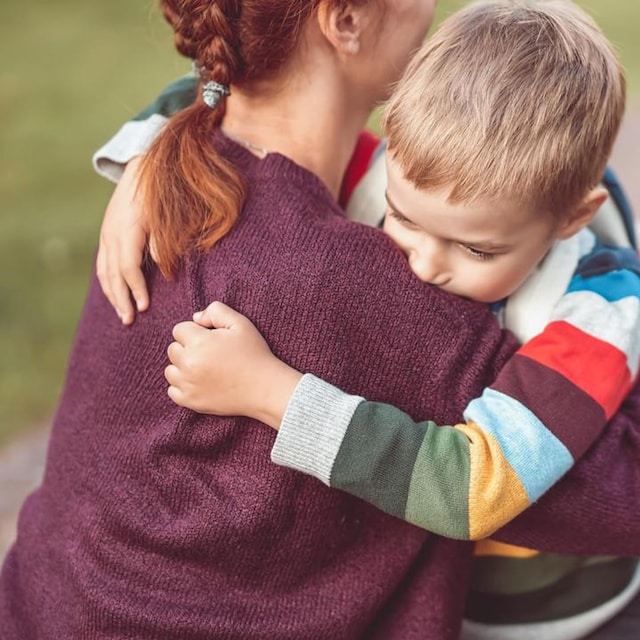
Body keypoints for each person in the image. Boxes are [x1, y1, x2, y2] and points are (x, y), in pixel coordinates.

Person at [2, 2, 640, 640]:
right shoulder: (359, 285)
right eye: (405, 220)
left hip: (38, 601)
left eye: (475, 250)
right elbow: (615, 497)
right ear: (345, 20)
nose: (424, 264)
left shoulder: (183, 174)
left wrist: (151, 142)